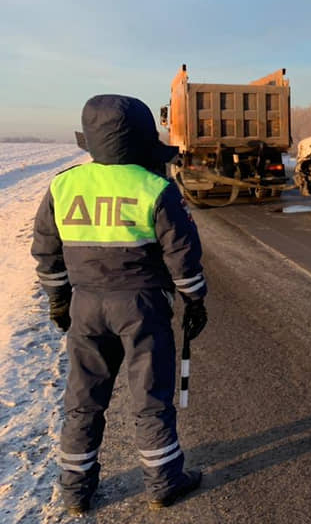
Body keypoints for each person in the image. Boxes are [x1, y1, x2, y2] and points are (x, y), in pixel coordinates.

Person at [31, 94, 209, 515]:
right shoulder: (155, 188)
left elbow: (46, 253)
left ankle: (76, 491)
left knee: (83, 398)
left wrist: (59, 300)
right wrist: (194, 301)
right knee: (150, 396)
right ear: (142, 140)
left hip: (86, 306)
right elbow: (183, 256)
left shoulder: (63, 185)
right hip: (142, 306)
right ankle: (163, 481)